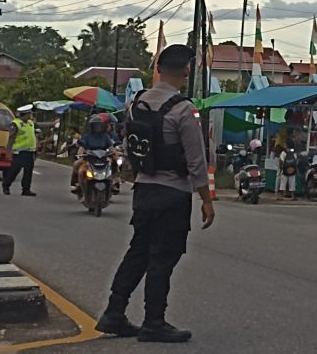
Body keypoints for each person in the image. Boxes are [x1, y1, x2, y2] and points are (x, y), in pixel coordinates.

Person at [96, 44, 214, 343]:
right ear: (187, 70)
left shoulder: (135, 104)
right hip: (173, 192)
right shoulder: (183, 109)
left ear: (158, 69)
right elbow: (196, 160)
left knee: (138, 252)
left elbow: (130, 146)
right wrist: (207, 200)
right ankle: (154, 322)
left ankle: (114, 311)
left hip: (144, 189)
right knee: (163, 258)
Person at [72, 114, 118, 195]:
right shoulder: (87, 137)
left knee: (114, 164)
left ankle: (114, 181)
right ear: (91, 126)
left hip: (103, 158)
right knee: (78, 166)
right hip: (89, 158)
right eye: (95, 125)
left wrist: (115, 154)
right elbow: (81, 148)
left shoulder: (105, 136)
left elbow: (111, 148)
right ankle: (77, 184)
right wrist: (79, 155)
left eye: (99, 125)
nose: (97, 127)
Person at [2, 105, 38, 197]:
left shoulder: (30, 123)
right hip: (19, 152)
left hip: (29, 152)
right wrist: (8, 153)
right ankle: (6, 185)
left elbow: (40, 124)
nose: (30, 115)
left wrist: (53, 123)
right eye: (29, 114)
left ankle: (26, 189)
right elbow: (11, 139)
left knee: (28, 171)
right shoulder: (15, 124)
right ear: (24, 115)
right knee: (14, 170)